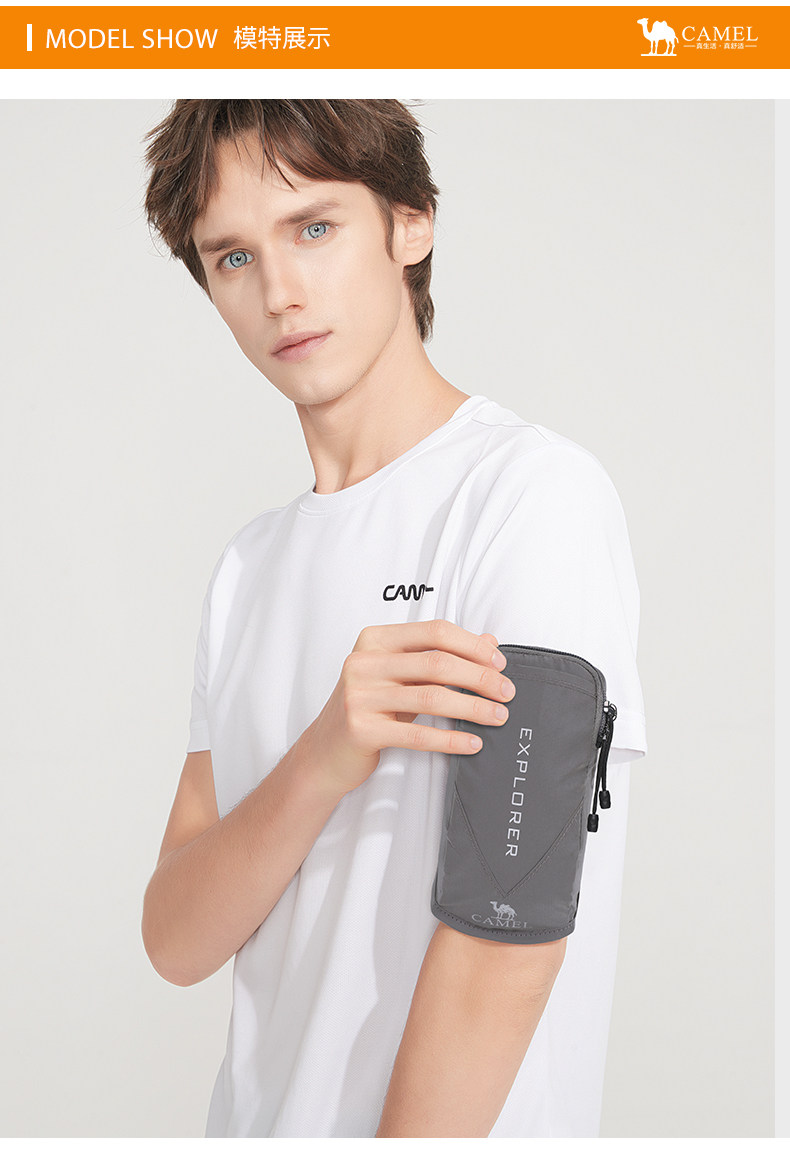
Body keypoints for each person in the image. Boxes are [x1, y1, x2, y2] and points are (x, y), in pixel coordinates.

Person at [140, 99, 647, 1138]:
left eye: (314, 227)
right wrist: (324, 756)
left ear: (409, 223)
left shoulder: (527, 496)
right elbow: (177, 937)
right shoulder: (247, 568)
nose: (279, 291)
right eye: (233, 257)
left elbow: (508, 925)